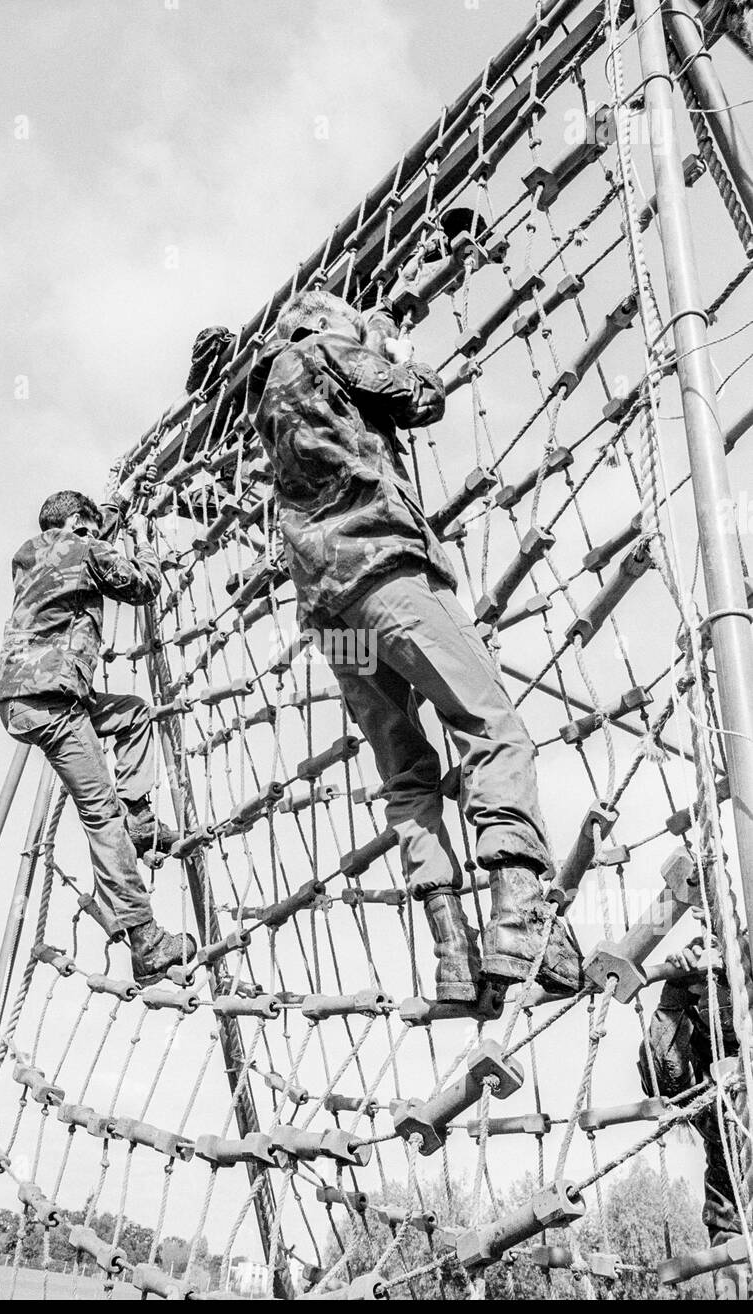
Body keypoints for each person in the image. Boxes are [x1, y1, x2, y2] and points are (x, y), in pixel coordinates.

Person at [247, 288, 579, 1007]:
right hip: (385, 575)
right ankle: (522, 921)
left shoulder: (266, 400)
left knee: (406, 775)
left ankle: (452, 949)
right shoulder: (326, 350)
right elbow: (421, 398)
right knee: (493, 726)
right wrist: (390, 345)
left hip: (330, 612)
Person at [0, 490, 195, 985]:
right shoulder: (85, 549)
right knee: (100, 814)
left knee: (131, 715)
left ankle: (142, 822)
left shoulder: (33, 553)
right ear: (79, 524)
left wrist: (119, 506)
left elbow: (87, 536)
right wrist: (144, 543)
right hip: (54, 701)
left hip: (28, 697)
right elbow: (142, 585)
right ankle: (145, 938)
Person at [639, 935, 745, 1299]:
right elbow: (665, 1082)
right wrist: (674, 997)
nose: (719, 1004)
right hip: (732, 1215)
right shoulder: (705, 1057)